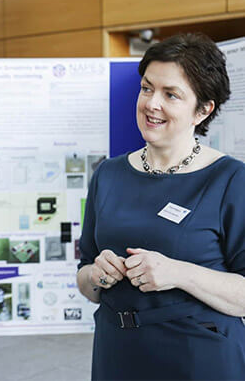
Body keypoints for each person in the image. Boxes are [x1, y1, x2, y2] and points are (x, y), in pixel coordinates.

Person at [77, 33, 245, 380]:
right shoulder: (108, 174)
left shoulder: (231, 179)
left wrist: (178, 273)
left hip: (199, 358)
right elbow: (85, 279)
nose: (152, 104)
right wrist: (97, 275)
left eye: (171, 95)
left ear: (203, 109)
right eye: (147, 88)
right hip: (116, 354)